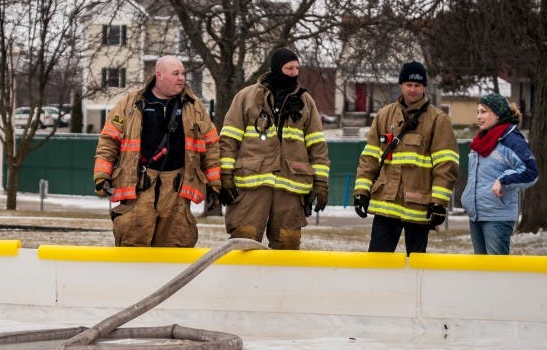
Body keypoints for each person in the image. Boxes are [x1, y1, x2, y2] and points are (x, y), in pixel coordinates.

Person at [92, 55, 221, 247]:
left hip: (177, 190)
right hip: (138, 186)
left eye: (183, 74)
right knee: (133, 239)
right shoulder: (130, 104)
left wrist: (215, 185)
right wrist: (102, 175)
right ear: (159, 75)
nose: (182, 78)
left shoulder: (195, 107)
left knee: (176, 242)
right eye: (176, 73)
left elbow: (211, 147)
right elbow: (109, 141)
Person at [218, 47, 330, 250]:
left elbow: (317, 146)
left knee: (288, 242)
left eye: (297, 68)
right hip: (251, 187)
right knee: (244, 239)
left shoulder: (305, 102)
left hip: (290, 186)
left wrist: (321, 183)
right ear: (277, 69)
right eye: (289, 68)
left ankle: (282, 283)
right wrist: (225, 177)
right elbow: (228, 139)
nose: (295, 73)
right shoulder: (246, 98)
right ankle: (240, 283)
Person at [353, 61, 459, 254]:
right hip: (386, 204)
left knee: (417, 267)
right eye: (409, 84)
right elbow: (369, 158)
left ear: (424, 87)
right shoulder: (384, 116)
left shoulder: (438, 120)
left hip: (419, 208)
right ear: (401, 85)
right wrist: (361, 191)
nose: (413, 89)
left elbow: (446, 165)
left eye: (417, 85)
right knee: (377, 263)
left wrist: (439, 203)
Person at [461, 94, 538, 255]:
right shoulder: (481, 140)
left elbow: (530, 172)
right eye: (478, 112)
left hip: (498, 216)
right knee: (482, 271)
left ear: (497, 114)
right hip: (477, 214)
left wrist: (503, 179)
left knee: (497, 273)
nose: (479, 116)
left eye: (484, 112)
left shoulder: (511, 139)